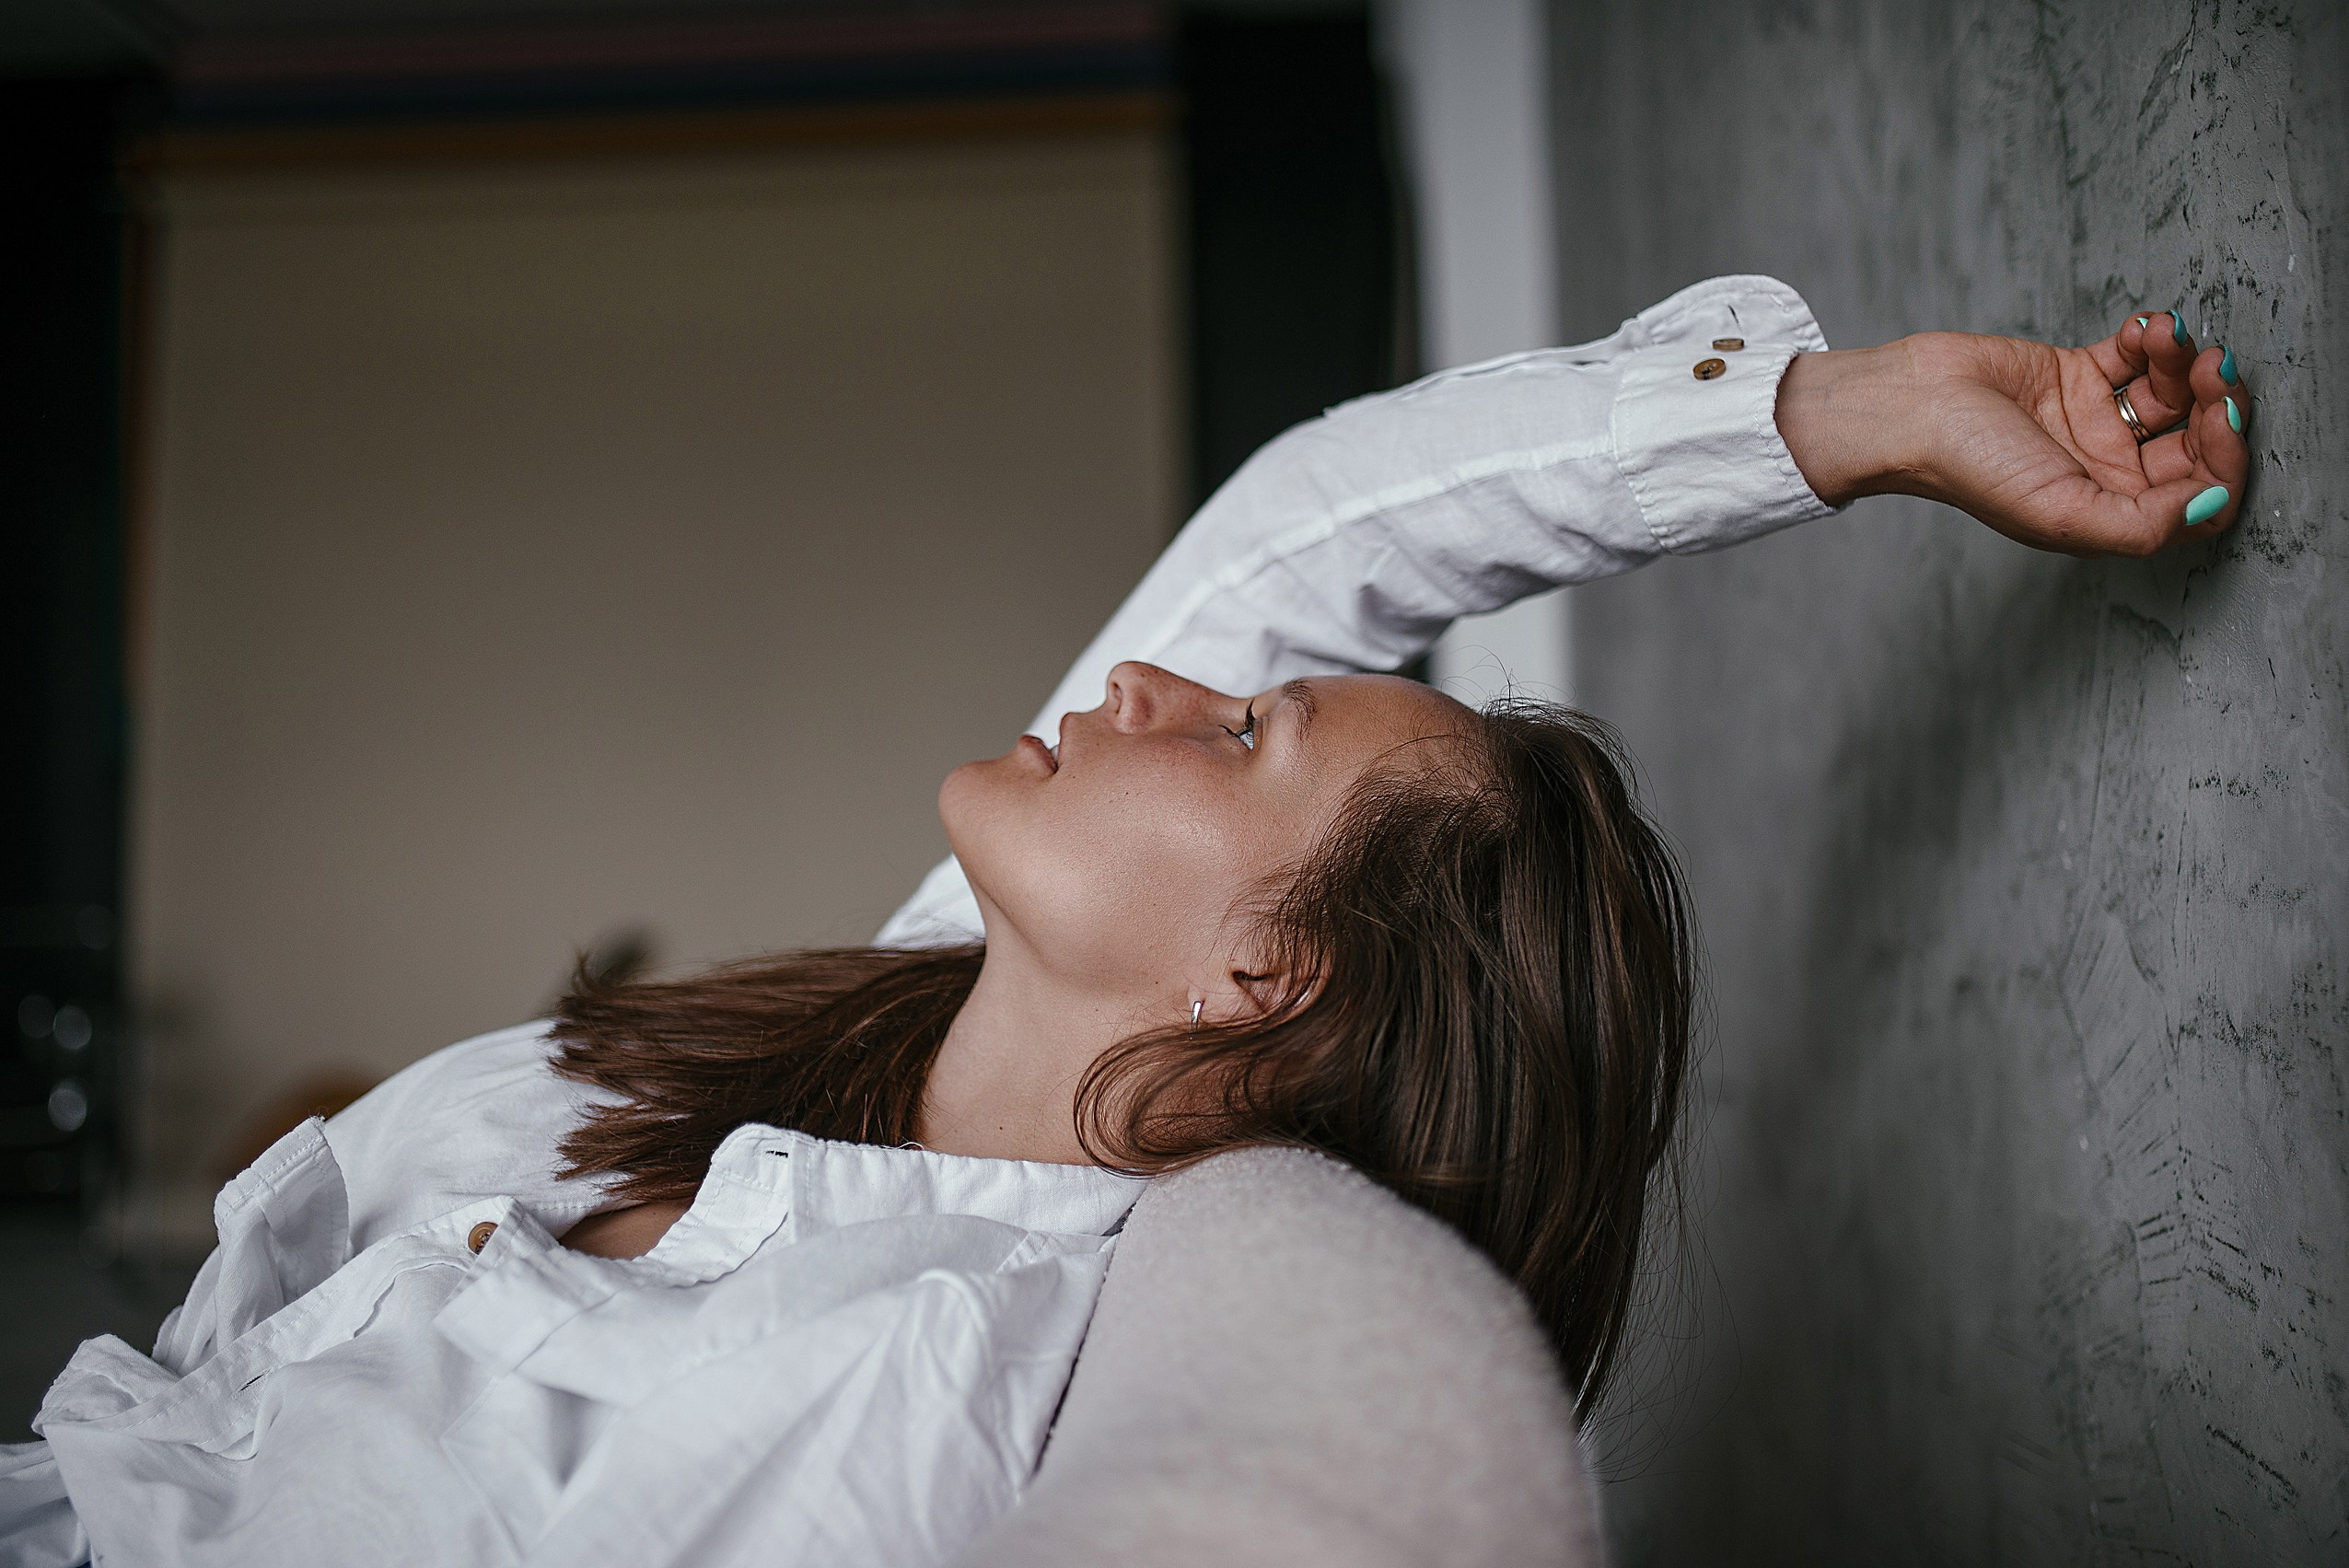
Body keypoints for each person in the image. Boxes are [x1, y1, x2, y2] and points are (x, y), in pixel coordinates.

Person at [0, 278, 2249, 1568]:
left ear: (1264, 977)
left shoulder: (912, 1395)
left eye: (1246, 733)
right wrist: (1859, 411)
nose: (1158, 678)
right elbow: (1308, 535)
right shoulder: (886, 1054)